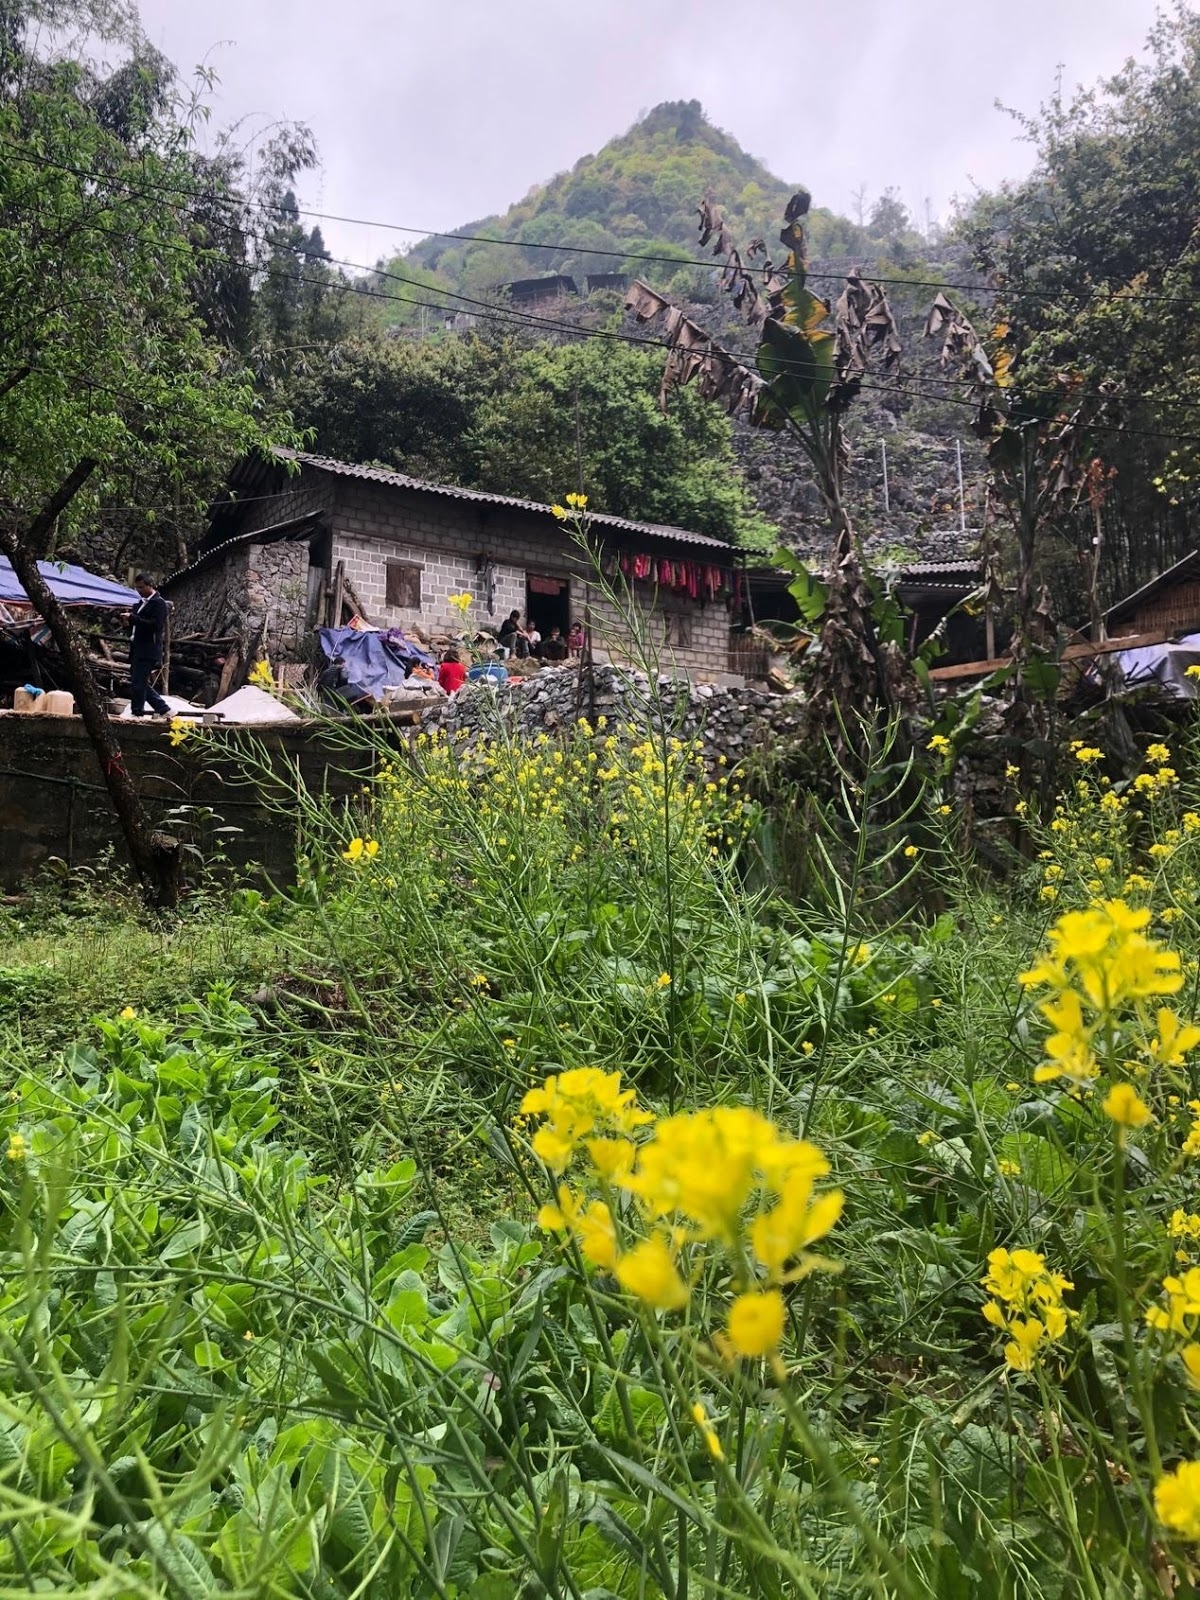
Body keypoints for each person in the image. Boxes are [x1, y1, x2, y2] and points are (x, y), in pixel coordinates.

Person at [127, 573, 171, 716]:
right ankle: (162, 708)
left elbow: (155, 625)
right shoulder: (140, 603)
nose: (139, 590)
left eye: (141, 587)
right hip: (137, 647)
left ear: (150, 585)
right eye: (137, 587)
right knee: (137, 681)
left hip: (149, 648)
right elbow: (136, 625)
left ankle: (137, 711)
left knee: (139, 682)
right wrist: (127, 622)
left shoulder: (159, 603)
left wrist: (134, 619)